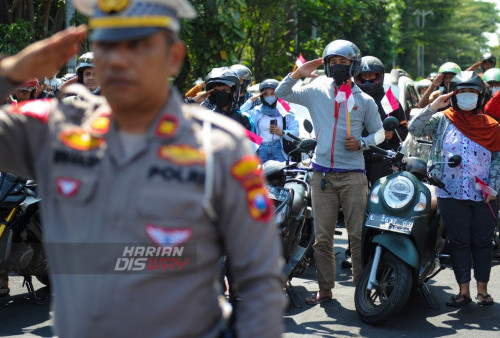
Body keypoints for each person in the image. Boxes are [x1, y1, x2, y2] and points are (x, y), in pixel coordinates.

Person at [0, 1, 284, 337]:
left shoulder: (220, 146)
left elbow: (260, 280)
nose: (120, 60)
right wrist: (10, 73)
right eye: (107, 46)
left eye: (138, 46)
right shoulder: (55, 131)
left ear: (173, 57)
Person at [275, 39, 384, 304]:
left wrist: (362, 143)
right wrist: (297, 74)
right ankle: (325, 289)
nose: (337, 67)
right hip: (320, 175)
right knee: (322, 238)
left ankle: (361, 289)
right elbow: (281, 92)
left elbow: (380, 133)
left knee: (356, 235)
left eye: (343, 63)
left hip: (353, 175)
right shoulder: (315, 90)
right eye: (333, 62)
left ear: (353, 66)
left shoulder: (365, 100)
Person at [409, 71, 500, 307]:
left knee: (483, 242)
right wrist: (432, 106)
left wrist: (494, 189)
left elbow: (498, 161)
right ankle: (463, 292)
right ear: (454, 95)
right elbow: (414, 129)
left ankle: (483, 291)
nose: (467, 97)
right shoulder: (442, 120)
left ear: (480, 96)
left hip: (485, 196)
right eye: (462, 92)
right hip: (450, 193)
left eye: (472, 92)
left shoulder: (493, 126)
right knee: (459, 242)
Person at [354, 56, 408, 185]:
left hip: (381, 159)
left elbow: (404, 130)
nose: (367, 80)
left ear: (379, 76)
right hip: (355, 158)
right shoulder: (349, 97)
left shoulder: (390, 98)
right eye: (364, 76)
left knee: (382, 196)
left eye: (371, 75)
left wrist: (393, 134)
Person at [240, 78, 299, 162]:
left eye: (273, 94)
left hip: (279, 148)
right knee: (261, 174)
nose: (269, 97)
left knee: (281, 173)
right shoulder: (257, 111)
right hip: (260, 149)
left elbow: (296, 132)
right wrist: (251, 100)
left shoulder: (286, 111)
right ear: (262, 96)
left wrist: (281, 132)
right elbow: (240, 114)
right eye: (266, 94)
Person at [189, 66, 254, 131]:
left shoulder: (243, 118)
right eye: (216, 91)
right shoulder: (204, 117)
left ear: (233, 92)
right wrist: (192, 101)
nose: (220, 93)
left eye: (225, 90)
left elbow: (254, 140)